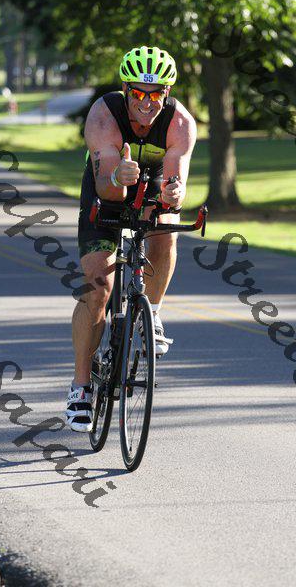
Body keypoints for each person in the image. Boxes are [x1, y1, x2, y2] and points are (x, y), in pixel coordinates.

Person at [66, 46, 197, 432]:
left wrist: (174, 193)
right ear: (126, 90)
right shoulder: (104, 115)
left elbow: (175, 183)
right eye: (138, 92)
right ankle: (80, 386)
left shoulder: (180, 123)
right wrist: (117, 177)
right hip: (105, 184)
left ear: (167, 93)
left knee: (166, 226)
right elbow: (108, 192)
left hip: (151, 181)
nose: (147, 102)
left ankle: (151, 311)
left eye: (156, 94)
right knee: (98, 289)